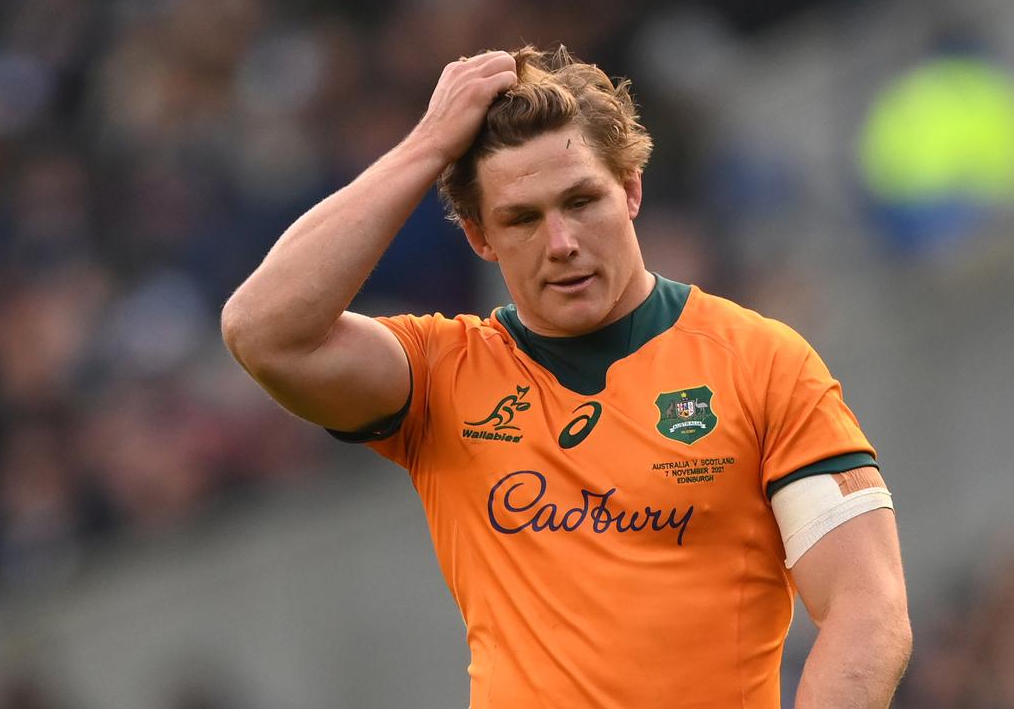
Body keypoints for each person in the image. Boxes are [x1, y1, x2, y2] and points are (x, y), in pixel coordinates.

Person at [221, 45, 911, 708]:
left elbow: (867, 610)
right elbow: (264, 332)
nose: (561, 244)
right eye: (522, 218)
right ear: (479, 237)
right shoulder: (442, 376)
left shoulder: (762, 365)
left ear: (632, 190)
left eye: (581, 201)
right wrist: (426, 146)